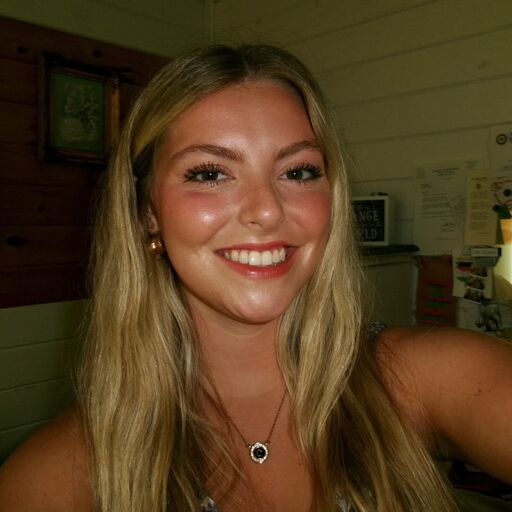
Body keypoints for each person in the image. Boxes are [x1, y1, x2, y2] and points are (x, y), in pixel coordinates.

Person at [0, 44, 511, 512]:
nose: (266, 210)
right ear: (147, 211)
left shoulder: (428, 380)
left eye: (298, 171)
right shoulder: (54, 479)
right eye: (209, 173)